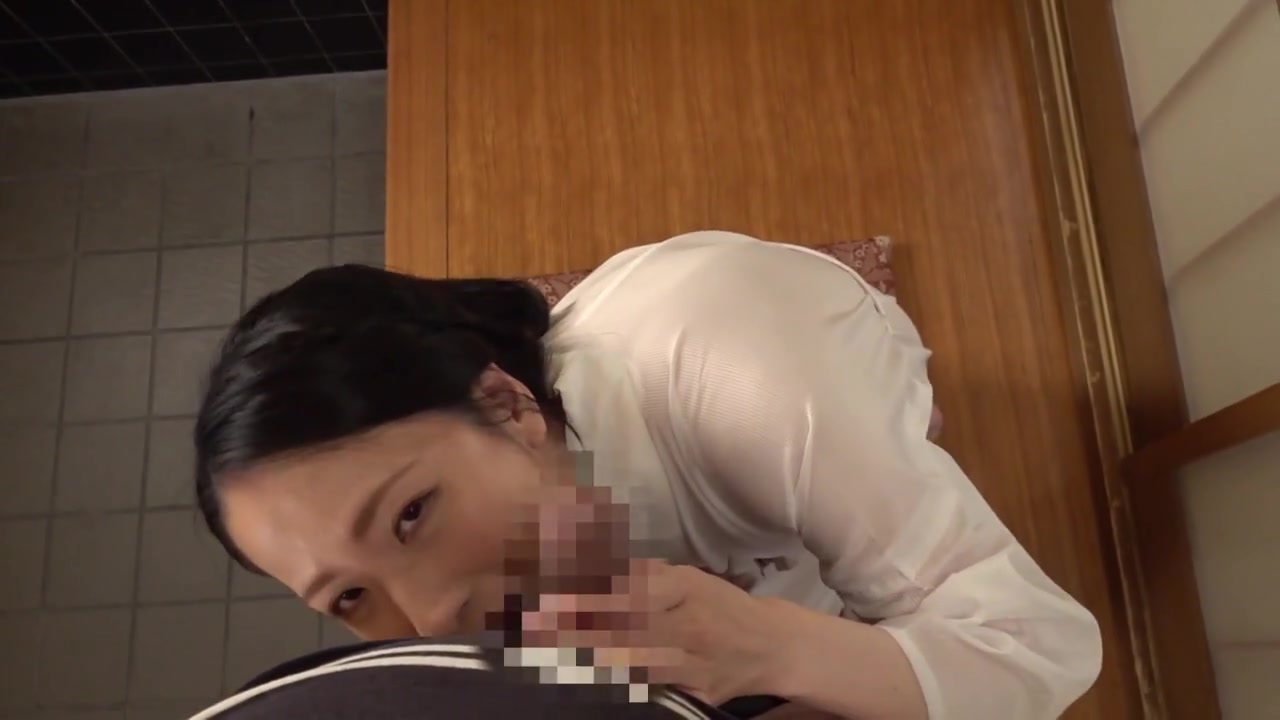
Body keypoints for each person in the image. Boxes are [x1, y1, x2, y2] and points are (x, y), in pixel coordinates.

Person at [194, 230, 1102, 719]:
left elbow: (1043, 646)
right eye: (350, 597)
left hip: (812, 373)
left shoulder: (747, 380)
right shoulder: (518, 574)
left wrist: (772, 648)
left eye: (410, 516)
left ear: (506, 404)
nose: (432, 620)